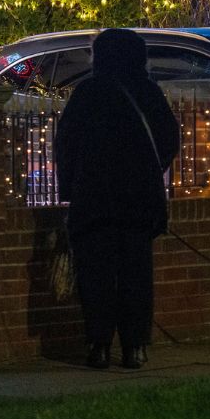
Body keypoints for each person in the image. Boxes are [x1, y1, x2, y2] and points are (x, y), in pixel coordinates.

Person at [56, 29, 181, 371]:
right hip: (138, 200)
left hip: (94, 200)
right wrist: (150, 169)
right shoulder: (148, 92)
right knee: (136, 275)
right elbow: (169, 139)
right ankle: (134, 347)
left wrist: (70, 188)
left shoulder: (88, 93)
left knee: (96, 275)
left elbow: (65, 143)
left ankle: (97, 344)